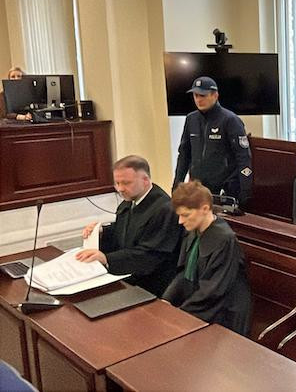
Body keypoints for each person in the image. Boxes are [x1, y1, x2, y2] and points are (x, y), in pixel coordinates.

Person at [77, 155, 182, 296]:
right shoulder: (129, 202)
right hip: (128, 276)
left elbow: (151, 254)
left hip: (151, 285)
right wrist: (101, 232)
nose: (120, 189)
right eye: (117, 183)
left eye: (126, 183)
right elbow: (123, 232)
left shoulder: (165, 209)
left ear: (145, 180)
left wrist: (107, 259)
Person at [163, 180, 252, 336]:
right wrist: (166, 300)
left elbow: (214, 289)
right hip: (201, 304)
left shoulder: (224, 239)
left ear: (204, 209)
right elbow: (184, 273)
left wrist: (182, 313)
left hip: (224, 313)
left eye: (185, 215)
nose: (180, 221)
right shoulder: (193, 231)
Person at [173, 76, 253, 206]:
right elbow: (184, 155)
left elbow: (243, 157)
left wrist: (245, 191)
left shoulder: (230, 120)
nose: (199, 99)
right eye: (196, 95)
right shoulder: (191, 119)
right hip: (198, 189)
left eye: (203, 95)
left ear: (215, 95)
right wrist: (177, 186)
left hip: (224, 190)